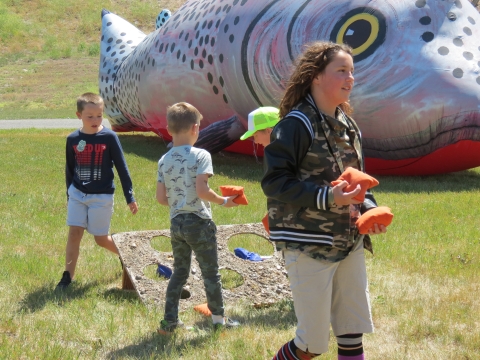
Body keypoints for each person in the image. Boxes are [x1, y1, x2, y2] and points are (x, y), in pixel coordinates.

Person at [261, 42, 387, 359]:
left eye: (352, 71)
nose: (350, 78)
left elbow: (357, 180)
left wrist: (369, 211)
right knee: (312, 344)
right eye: (341, 71)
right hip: (309, 242)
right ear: (316, 76)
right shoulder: (296, 123)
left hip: (348, 240)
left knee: (351, 330)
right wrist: (327, 196)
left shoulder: (349, 126)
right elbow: (274, 182)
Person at [156, 102, 241, 334]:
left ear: (169, 129)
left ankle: (169, 322)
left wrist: (179, 201)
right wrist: (224, 201)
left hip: (177, 223)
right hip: (199, 222)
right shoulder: (201, 155)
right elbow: (202, 191)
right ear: (195, 128)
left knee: (179, 272)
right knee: (210, 272)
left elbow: (161, 198)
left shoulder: (163, 160)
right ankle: (219, 321)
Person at [56, 93, 138, 290]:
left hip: (101, 196)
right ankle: (68, 276)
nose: (95, 120)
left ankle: (131, 258)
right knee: (74, 233)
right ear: (79, 115)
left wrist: (130, 196)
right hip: (78, 194)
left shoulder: (109, 137)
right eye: (89, 116)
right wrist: (69, 195)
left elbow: (122, 168)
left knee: (100, 239)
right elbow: (70, 169)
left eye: (99, 115)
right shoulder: (73, 139)